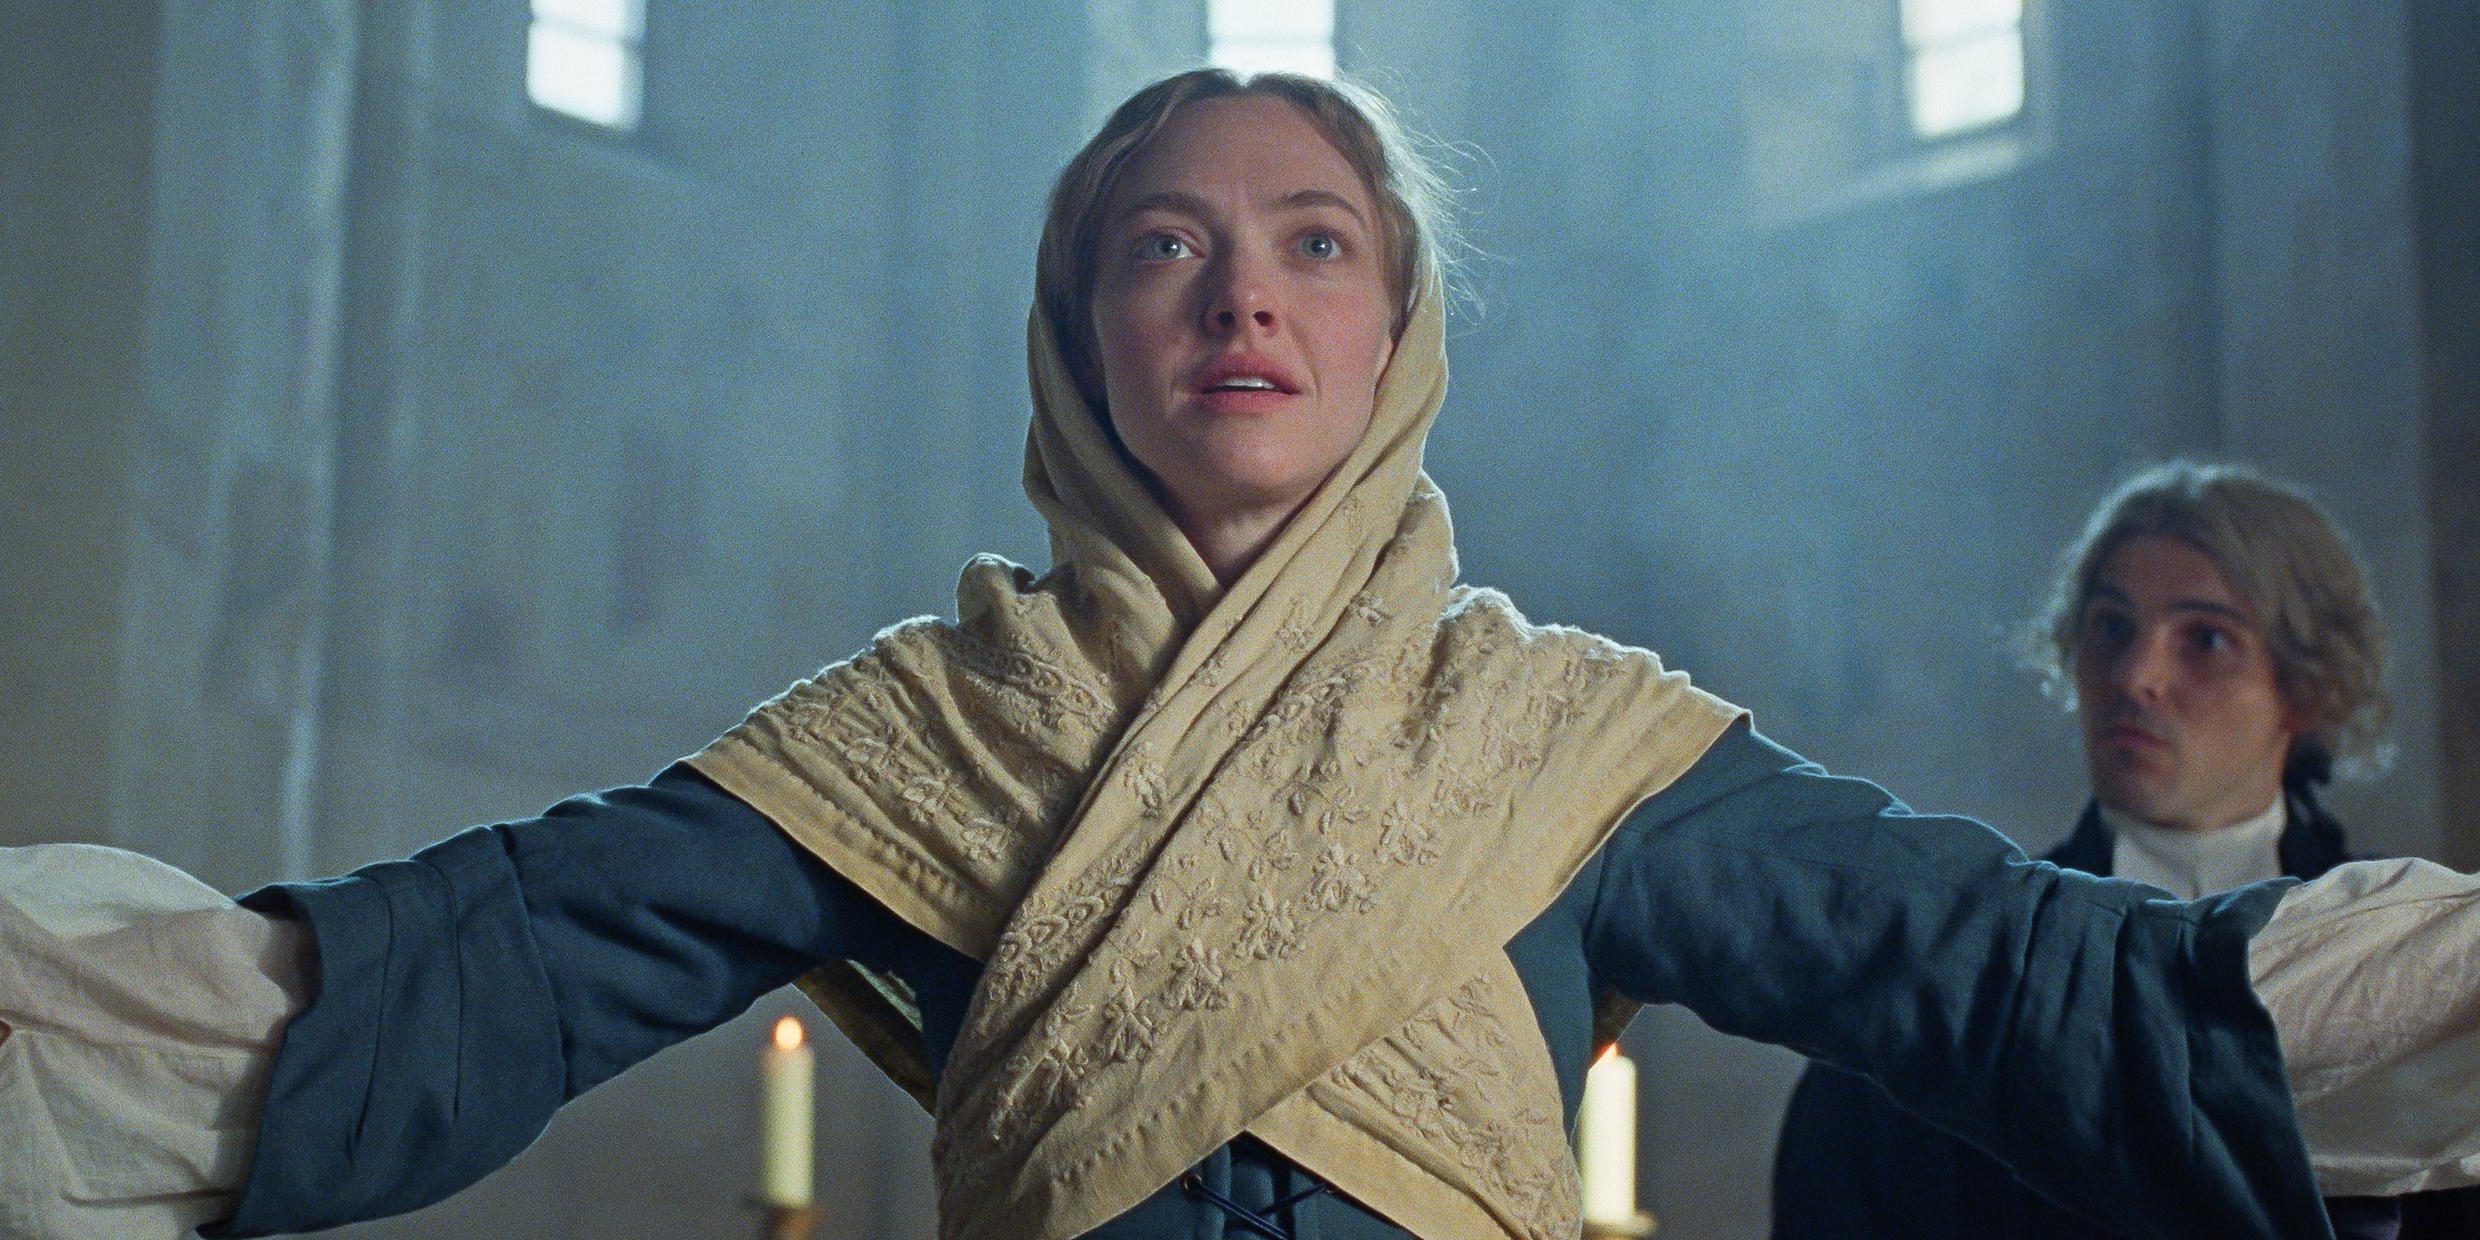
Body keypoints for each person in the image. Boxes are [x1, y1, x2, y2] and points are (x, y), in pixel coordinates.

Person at [7, 69, 2480, 1240]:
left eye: (1313, 241)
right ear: (1079, 330)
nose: (1238, 295)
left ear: (1394, 329)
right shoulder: (915, 737)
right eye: (1161, 245)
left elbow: (2027, 979)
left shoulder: (1569, 744)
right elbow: (482, 967)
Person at [1772, 462, 2480, 1238]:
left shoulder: (2407, 958)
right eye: (2111, 627)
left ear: (2306, 689)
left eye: (2206, 639)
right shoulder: (1949, 961)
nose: (2136, 676)